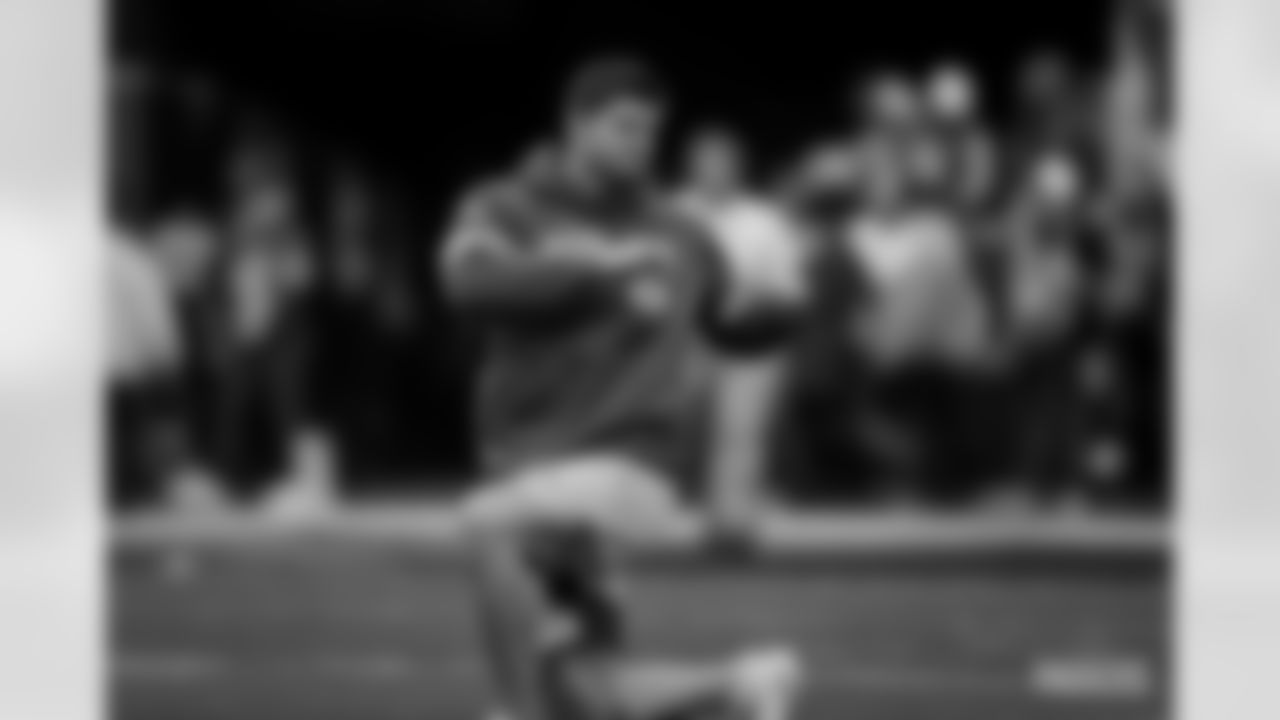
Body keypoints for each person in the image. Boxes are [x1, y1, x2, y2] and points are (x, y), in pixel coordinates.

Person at [440, 57, 806, 720]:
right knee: (581, 690)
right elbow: (469, 285)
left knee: (489, 525)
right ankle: (743, 684)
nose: (641, 145)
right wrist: (594, 272)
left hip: (627, 464)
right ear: (574, 124)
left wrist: (788, 312)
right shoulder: (504, 205)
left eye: (651, 131)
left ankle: (510, 713)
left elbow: (727, 325)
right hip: (534, 469)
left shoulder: (681, 230)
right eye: (623, 127)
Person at [673, 125, 808, 538]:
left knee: (741, 430)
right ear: (691, 166)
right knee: (675, 427)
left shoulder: (764, 220)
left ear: (738, 168)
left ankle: (731, 524)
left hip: (751, 340)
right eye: (706, 161)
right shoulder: (670, 214)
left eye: (723, 162)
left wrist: (755, 299)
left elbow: (790, 290)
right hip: (686, 340)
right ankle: (668, 514)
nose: (714, 170)